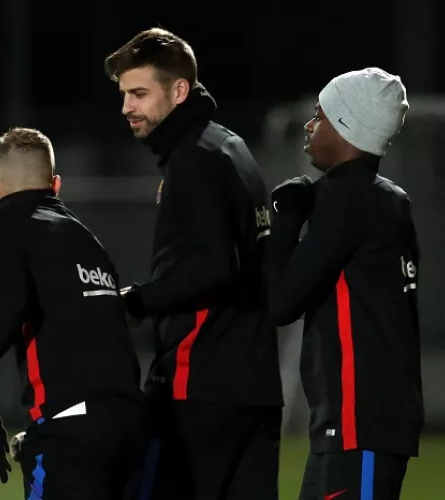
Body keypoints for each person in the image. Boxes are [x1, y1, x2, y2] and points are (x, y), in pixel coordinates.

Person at [104, 28, 284, 500]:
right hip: (255, 387)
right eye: (124, 94)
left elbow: (213, 266)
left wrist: (137, 301)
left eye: (139, 93)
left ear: (179, 90)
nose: (127, 107)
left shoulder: (194, 160)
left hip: (198, 389)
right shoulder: (229, 146)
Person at [0, 127, 145, 500]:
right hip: (129, 425)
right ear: (55, 184)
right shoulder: (87, 239)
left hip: (70, 432)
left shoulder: (6, 222)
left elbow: (13, 302)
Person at [266, 68, 424, 500]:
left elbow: (281, 302)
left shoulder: (349, 202)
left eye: (320, 115)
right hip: (357, 424)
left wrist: (284, 223)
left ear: (348, 126)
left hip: (361, 422)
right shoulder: (384, 199)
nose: (309, 124)